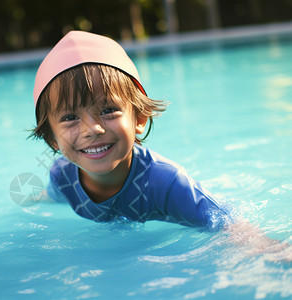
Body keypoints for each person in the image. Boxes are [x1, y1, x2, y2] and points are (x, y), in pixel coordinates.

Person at [29, 31, 290, 258]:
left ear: (139, 119)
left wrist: (266, 248)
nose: (92, 129)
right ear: (53, 139)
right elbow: (51, 198)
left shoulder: (164, 183)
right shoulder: (62, 177)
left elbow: (225, 220)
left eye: (108, 110)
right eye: (70, 117)